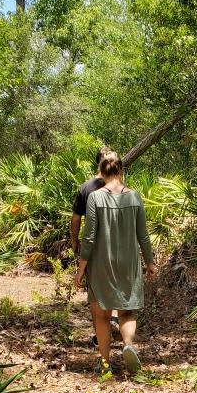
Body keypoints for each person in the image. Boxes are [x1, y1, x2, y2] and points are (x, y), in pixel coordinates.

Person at [74, 151, 155, 373]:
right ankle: (128, 346)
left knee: (102, 314)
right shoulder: (134, 197)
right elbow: (143, 235)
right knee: (127, 311)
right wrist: (150, 262)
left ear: (101, 172)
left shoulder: (95, 197)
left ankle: (105, 363)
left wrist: (81, 269)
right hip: (129, 262)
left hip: (101, 263)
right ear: (121, 170)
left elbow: (89, 236)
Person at [71, 146, 119, 344]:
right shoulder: (120, 187)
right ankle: (115, 318)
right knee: (116, 283)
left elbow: (76, 219)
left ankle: (101, 337)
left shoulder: (86, 187)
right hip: (117, 244)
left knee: (95, 293)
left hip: (94, 248)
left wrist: (75, 241)